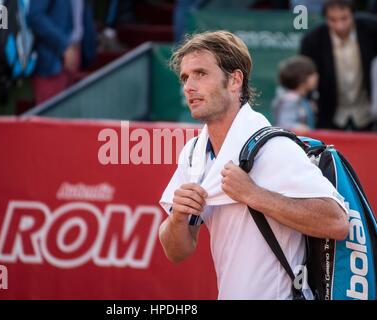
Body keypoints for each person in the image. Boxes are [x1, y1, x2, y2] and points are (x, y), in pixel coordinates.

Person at [159, 31, 349, 300]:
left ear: (235, 80)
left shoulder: (274, 147)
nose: (188, 86)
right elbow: (177, 252)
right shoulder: (194, 153)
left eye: (200, 73)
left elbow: (337, 222)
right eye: (185, 77)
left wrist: (253, 195)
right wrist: (178, 217)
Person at [300, 0, 377, 131]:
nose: (339, 25)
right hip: (330, 113)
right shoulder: (312, 40)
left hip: (368, 112)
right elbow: (306, 76)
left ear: (353, 14)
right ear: (325, 18)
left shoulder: (372, 29)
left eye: (344, 18)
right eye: (332, 19)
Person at [28, 0, 85, 104]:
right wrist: (64, 45)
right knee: (49, 116)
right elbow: (35, 16)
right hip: (51, 61)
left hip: (72, 54)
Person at [272, 55, 318, 132]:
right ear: (302, 77)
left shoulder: (301, 99)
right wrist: (301, 129)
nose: (316, 76)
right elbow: (283, 125)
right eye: (312, 73)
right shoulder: (290, 99)